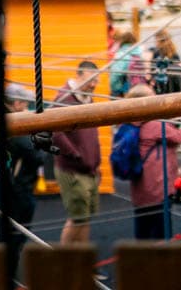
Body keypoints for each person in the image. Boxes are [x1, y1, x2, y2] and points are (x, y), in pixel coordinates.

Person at [0, 83, 41, 280]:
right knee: (17, 234)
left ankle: (6, 271)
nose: (26, 108)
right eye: (24, 104)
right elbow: (37, 156)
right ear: (16, 103)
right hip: (17, 189)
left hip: (4, 185)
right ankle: (8, 275)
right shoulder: (11, 126)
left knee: (7, 233)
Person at [124, 83, 181, 240]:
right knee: (161, 230)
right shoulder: (154, 125)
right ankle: (162, 260)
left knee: (143, 227)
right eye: (153, 98)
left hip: (140, 186)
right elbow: (180, 136)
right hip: (157, 186)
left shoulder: (132, 122)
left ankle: (140, 259)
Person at [51, 61, 101, 245]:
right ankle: (65, 265)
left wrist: (94, 160)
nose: (94, 84)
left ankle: (82, 263)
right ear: (79, 75)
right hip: (73, 170)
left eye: (97, 80)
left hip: (88, 169)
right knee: (77, 219)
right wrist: (75, 155)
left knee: (85, 218)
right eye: (91, 79)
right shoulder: (65, 98)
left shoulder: (87, 97)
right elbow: (54, 132)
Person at [108, 30, 142, 97]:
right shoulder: (139, 53)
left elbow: (115, 75)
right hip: (137, 88)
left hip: (121, 91)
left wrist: (112, 87)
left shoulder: (121, 54)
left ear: (122, 41)